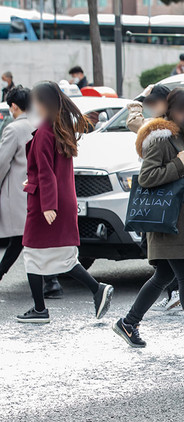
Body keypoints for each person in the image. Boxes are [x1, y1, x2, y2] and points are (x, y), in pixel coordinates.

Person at [112, 88, 184, 352]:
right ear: (171, 111)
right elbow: (147, 178)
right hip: (168, 224)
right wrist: (177, 163)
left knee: (163, 275)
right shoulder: (161, 140)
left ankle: (129, 323)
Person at [16, 82, 113, 323]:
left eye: (36, 101)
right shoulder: (61, 129)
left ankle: (41, 309)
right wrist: (33, 186)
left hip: (47, 203)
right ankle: (93, 291)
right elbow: (50, 172)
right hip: (59, 200)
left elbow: (47, 172)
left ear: (44, 104)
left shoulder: (46, 132)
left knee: (33, 254)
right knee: (61, 256)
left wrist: (48, 204)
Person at [125, 84, 181, 312]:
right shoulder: (174, 126)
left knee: (164, 254)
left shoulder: (154, 128)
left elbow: (131, 120)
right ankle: (131, 321)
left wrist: (140, 97)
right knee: (171, 260)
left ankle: (130, 321)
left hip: (158, 195)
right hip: (167, 194)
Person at [0, 87, 32, 282]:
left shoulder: (13, 128)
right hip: (33, 190)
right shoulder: (38, 124)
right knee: (26, 240)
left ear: (14, 106)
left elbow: (2, 162)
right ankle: (51, 282)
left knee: (19, 240)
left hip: (16, 191)